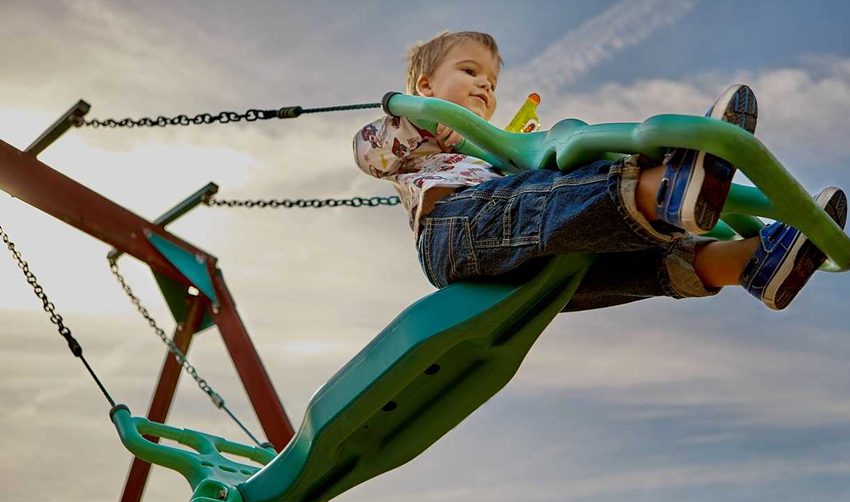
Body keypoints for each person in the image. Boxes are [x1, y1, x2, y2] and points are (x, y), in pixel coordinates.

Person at [353, 31, 847, 311]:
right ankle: (663, 188)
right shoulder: (409, 136)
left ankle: (748, 262)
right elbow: (369, 152)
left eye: (491, 80)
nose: (484, 86)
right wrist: (416, 115)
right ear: (423, 85)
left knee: (608, 264)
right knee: (551, 195)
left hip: (517, 268)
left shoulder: (492, 148)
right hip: (454, 235)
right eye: (469, 72)